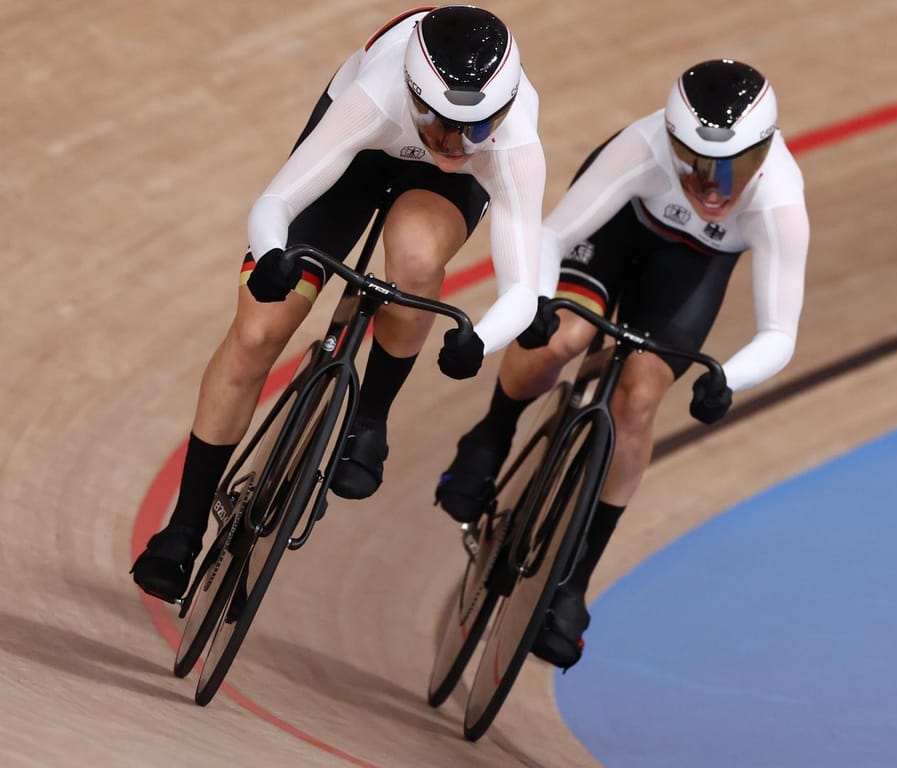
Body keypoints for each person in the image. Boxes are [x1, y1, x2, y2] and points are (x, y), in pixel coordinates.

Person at [131, 5, 545, 603]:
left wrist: (480, 339)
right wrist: (274, 255)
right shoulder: (374, 97)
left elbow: (521, 288)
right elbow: (277, 200)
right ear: (413, 96)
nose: (456, 144)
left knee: (416, 260)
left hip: (436, 198)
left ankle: (369, 418)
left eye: (476, 129)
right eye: (441, 127)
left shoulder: (513, 143)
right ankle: (185, 524)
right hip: (360, 156)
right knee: (257, 333)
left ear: (501, 113)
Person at [435, 59, 809, 668]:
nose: (713, 188)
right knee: (561, 339)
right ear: (670, 142)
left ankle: (575, 581)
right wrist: (537, 306)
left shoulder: (779, 201)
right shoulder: (640, 147)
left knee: (638, 399)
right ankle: (490, 437)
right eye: (694, 164)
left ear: (764, 153)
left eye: (733, 169)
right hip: (614, 236)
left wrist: (727, 379)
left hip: (687, 275)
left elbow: (778, 331)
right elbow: (552, 237)